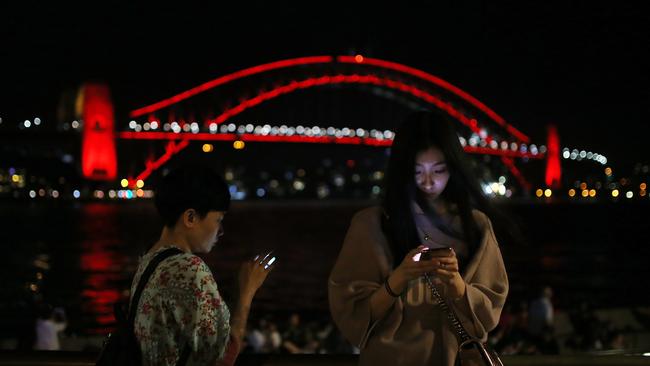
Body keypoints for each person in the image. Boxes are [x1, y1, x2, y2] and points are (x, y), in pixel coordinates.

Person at [328, 109, 513, 365]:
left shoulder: (476, 226)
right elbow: (352, 313)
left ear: (454, 168)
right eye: (417, 171)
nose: (428, 182)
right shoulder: (371, 225)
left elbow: (489, 313)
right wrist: (399, 278)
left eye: (439, 170)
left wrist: (457, 286)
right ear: (402, 169)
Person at [131, 165, 276, 366]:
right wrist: (247, 292)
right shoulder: (188, 268)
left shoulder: (148, 261)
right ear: (190, 218)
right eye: (218, 220)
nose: (221, 231)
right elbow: (222, 356)